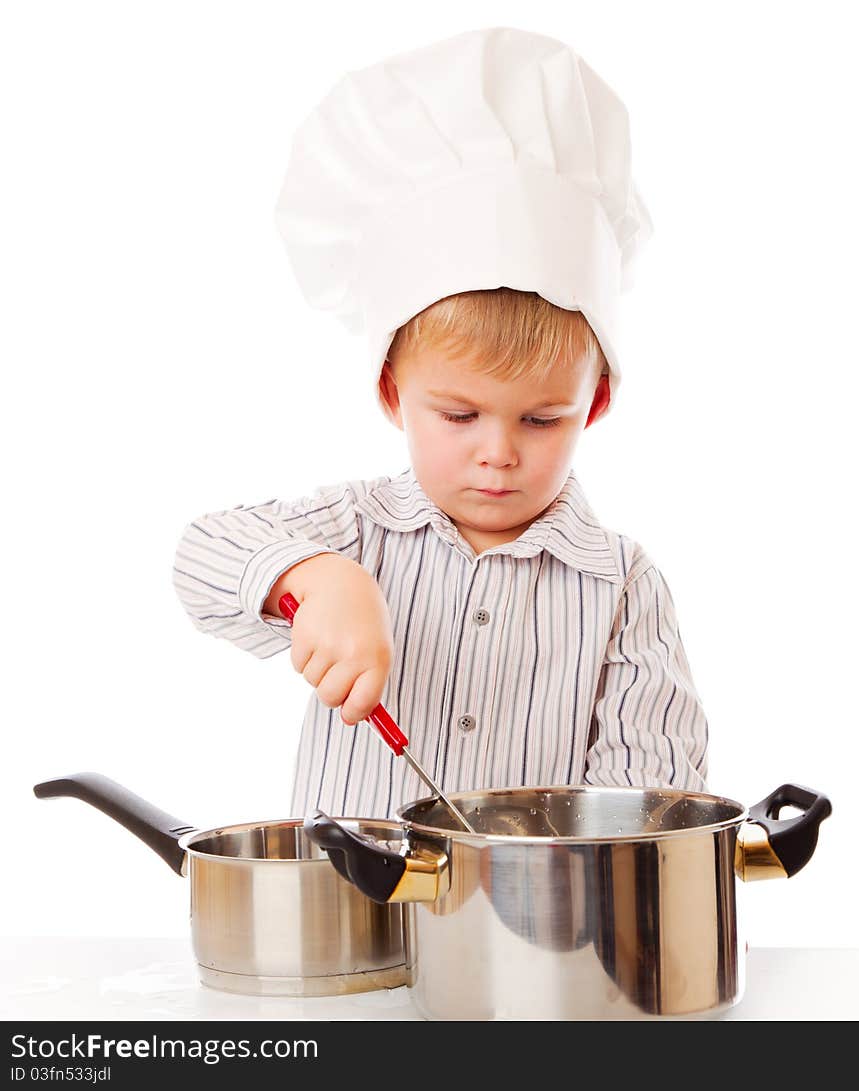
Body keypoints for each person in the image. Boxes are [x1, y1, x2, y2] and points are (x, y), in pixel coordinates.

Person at [172, 27, 709, 819]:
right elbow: (200, 557)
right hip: (347, 930)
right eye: (458, 414)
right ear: (392, 392)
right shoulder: (353, 530)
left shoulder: (622, 589)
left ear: (593, 405)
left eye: (541, 417)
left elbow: (652, 796)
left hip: (525, 937)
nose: (497, 453)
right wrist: (314, 580)